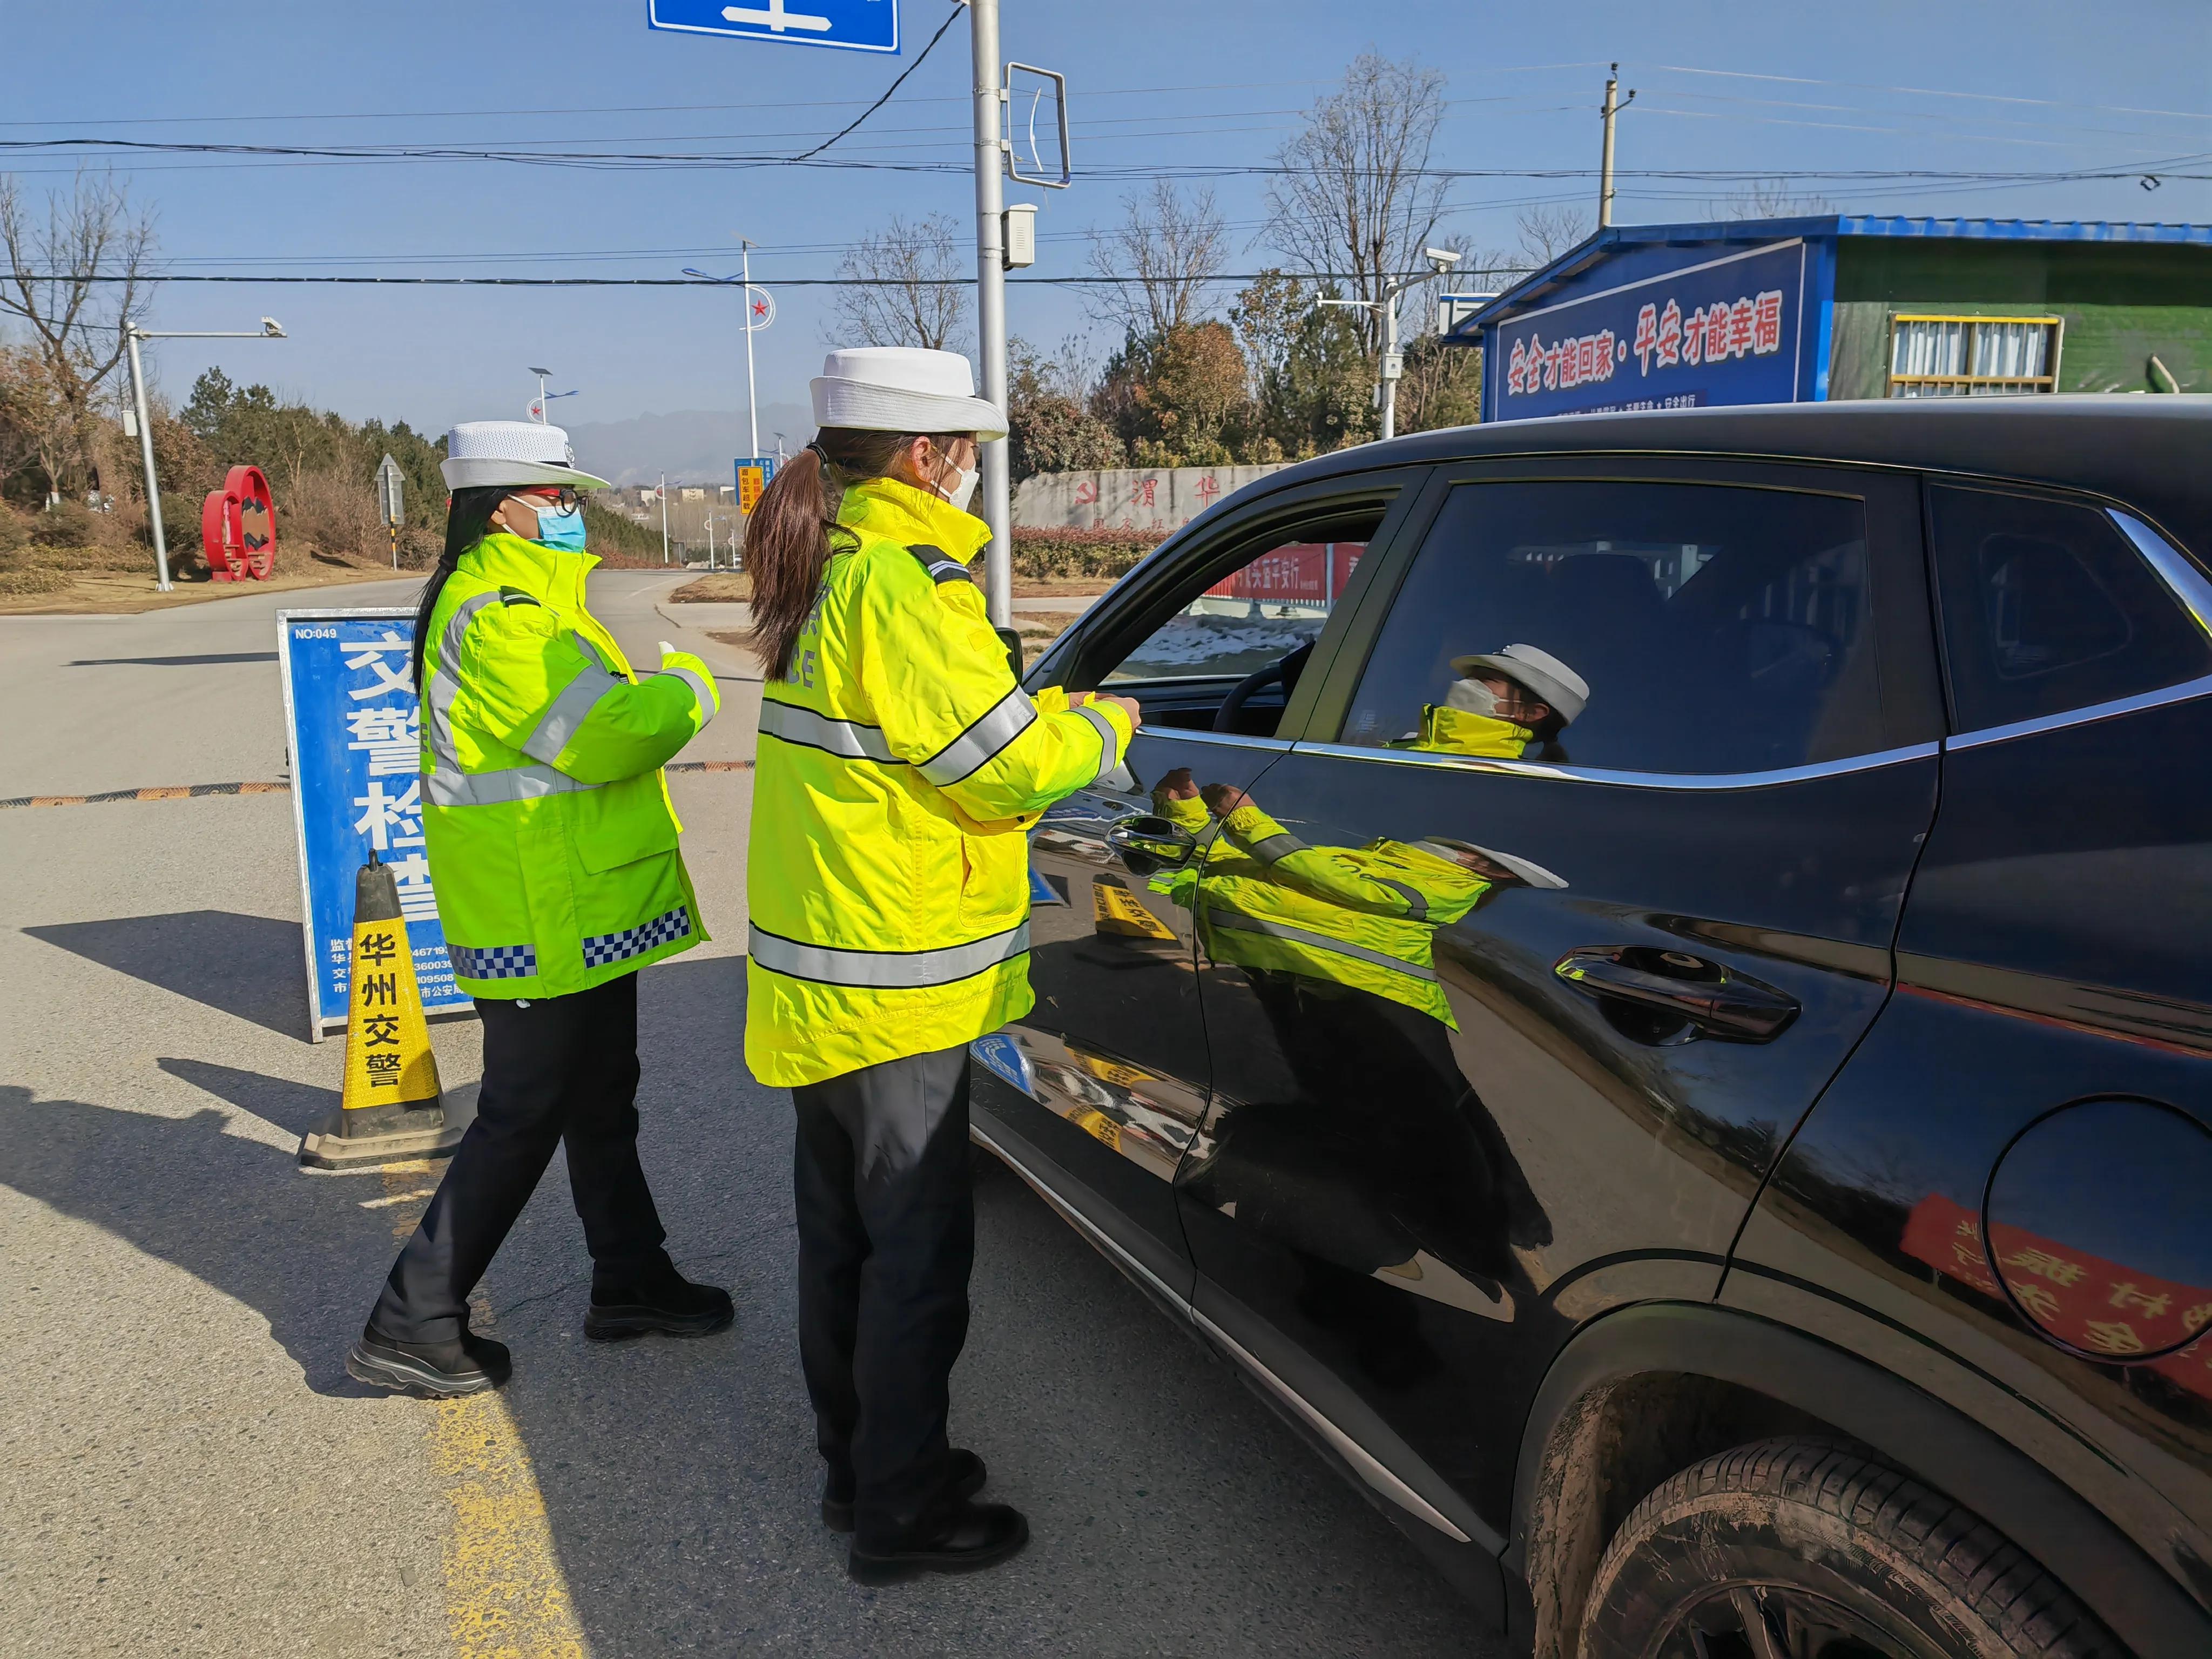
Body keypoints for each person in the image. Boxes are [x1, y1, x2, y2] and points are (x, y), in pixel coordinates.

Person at [743, 347, 1142, 1582]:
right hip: (896, 986)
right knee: (914, 1259)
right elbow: (1002, 764)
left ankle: (858, 1468)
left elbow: (931, 738)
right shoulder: (910, 586)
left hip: (827, 979)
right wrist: (1105, 726)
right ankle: (901, 1513)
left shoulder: (831, 565)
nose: (973, 469)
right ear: (926, 456)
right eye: (966, 448)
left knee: (842, 1244)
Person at [346, 420, 732, 1398]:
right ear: (500, 510)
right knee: (522, 1114)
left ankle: (629, 1276)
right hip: (536, 909)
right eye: (556, 497)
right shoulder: (501, 616)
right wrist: (690, 689)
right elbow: (603, 735)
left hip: (575, 902)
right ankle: (412, 1316)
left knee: (601, 1096)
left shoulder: (537, 606)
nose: (571, 512)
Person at [1396, 642, 1588, 760]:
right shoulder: (1407, 744)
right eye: (1471, 677)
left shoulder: (1508, 781)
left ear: (1529, 712)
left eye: (1485, 679)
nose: (1465, 684)